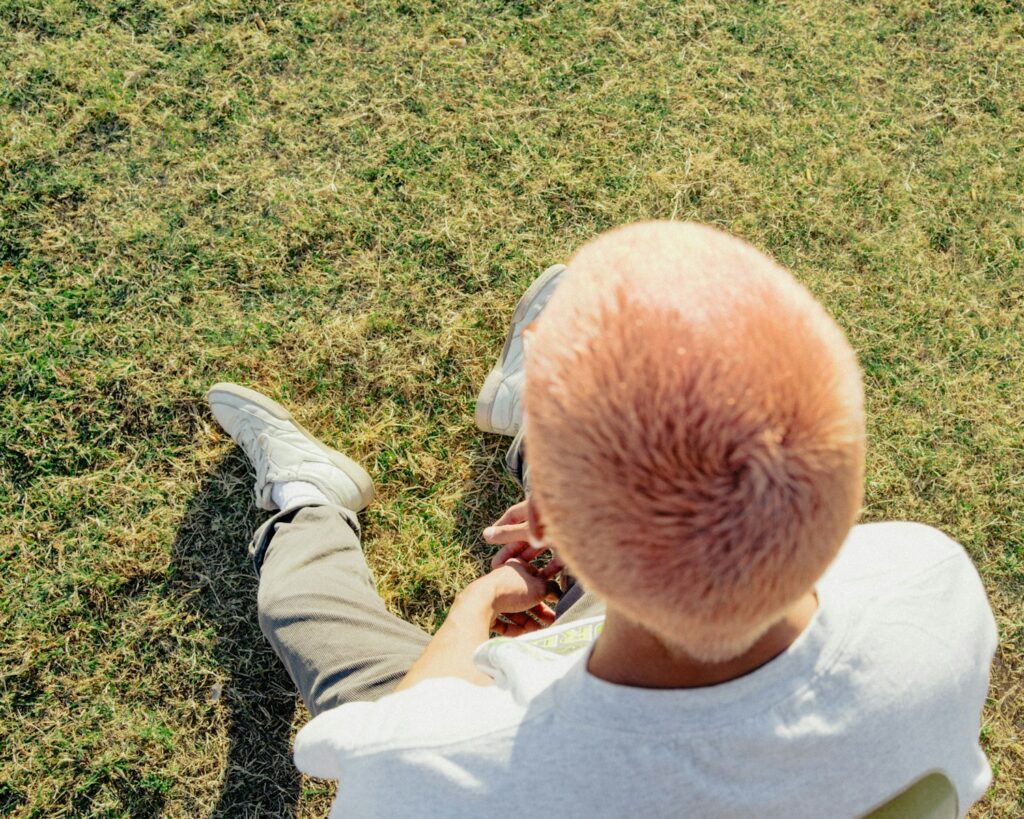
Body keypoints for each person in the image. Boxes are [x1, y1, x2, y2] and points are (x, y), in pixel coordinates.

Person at [206, 221, 996, 819]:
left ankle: (307, 499)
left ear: (548, 524)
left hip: (518, 728)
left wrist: (472, 610)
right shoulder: (930, 580)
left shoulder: (436, 770)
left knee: (304, 608)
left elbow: (400, 738)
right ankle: (537, 420)